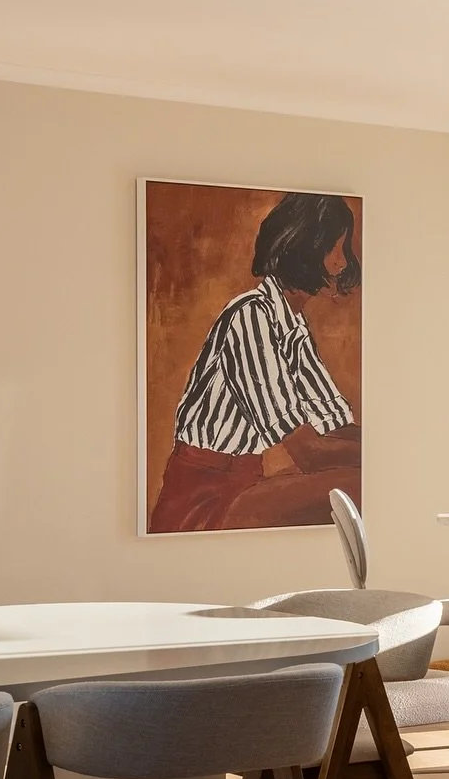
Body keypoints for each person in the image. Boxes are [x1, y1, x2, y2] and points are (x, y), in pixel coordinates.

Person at [149, 192, 361, 533]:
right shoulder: (250, 316)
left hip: (245, 481)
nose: (342, 263)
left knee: (360, 482)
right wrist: (389, 460)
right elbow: (308, 453)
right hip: (203, 499)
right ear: (302, 247)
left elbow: (333, 426)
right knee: (358, 488)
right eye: (333, 248)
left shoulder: (294, 327)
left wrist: (386, 448)